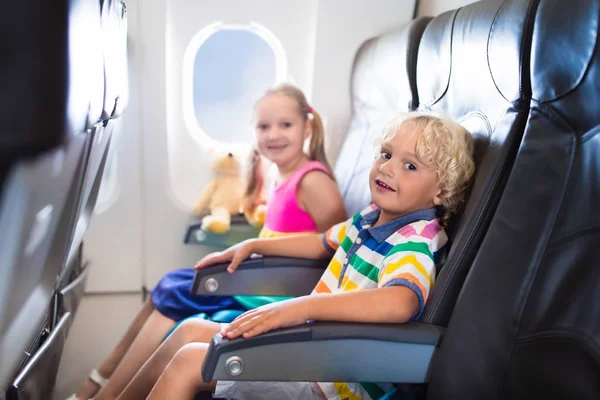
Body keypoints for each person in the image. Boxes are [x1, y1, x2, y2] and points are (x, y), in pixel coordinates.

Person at [121, 113, 476, 400]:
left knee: (189, 361)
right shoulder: (371, 218)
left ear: (440, 191)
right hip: (313, 353)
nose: (387, 168)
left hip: (331, 380)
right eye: (386, 154)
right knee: (190, 331)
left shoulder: (414, 241)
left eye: (410, 166)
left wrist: (299, 307)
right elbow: (322, 242)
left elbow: (400, 301)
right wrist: (254, 246)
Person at [67, 83, 347, 400]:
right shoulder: (278, 174)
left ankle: (102, 393)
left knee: (175, 293)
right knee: (171, 284)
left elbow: (335, 253)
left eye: (285, 125)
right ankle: (99, 381)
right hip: (259, 282)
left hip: (273, 293)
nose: (273, 135)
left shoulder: (313, 181)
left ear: (307, 126)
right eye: (263, 126)